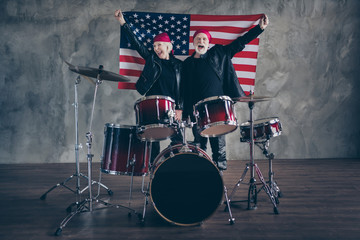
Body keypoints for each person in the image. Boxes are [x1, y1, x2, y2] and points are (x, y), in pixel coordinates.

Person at [182, 15, 269, 171]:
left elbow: (239, 43)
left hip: (217, 106)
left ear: (208, 43)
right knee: (199, 143)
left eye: (204, 39)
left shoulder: (219, 53)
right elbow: (185, 89)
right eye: (198, 39)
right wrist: (185, 112)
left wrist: (259, 29)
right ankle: (200, 171)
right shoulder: (187, 63)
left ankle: (219, 172)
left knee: (218, 142)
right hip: (197, 109)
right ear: (193, 42)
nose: (201, 41)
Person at [114, 9, 183, 163]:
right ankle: (153, 167)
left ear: (168, 46)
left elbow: (182, 89)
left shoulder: (179, 65)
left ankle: (172, 164)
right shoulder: (152, 59)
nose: (156, 48)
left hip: (172, 106)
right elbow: (136, 43)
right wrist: (123, 23)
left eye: (159, 45)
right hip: (153, 103)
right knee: (153, 139)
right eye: (154, 45)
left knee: (178, 140)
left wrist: (180, 107)